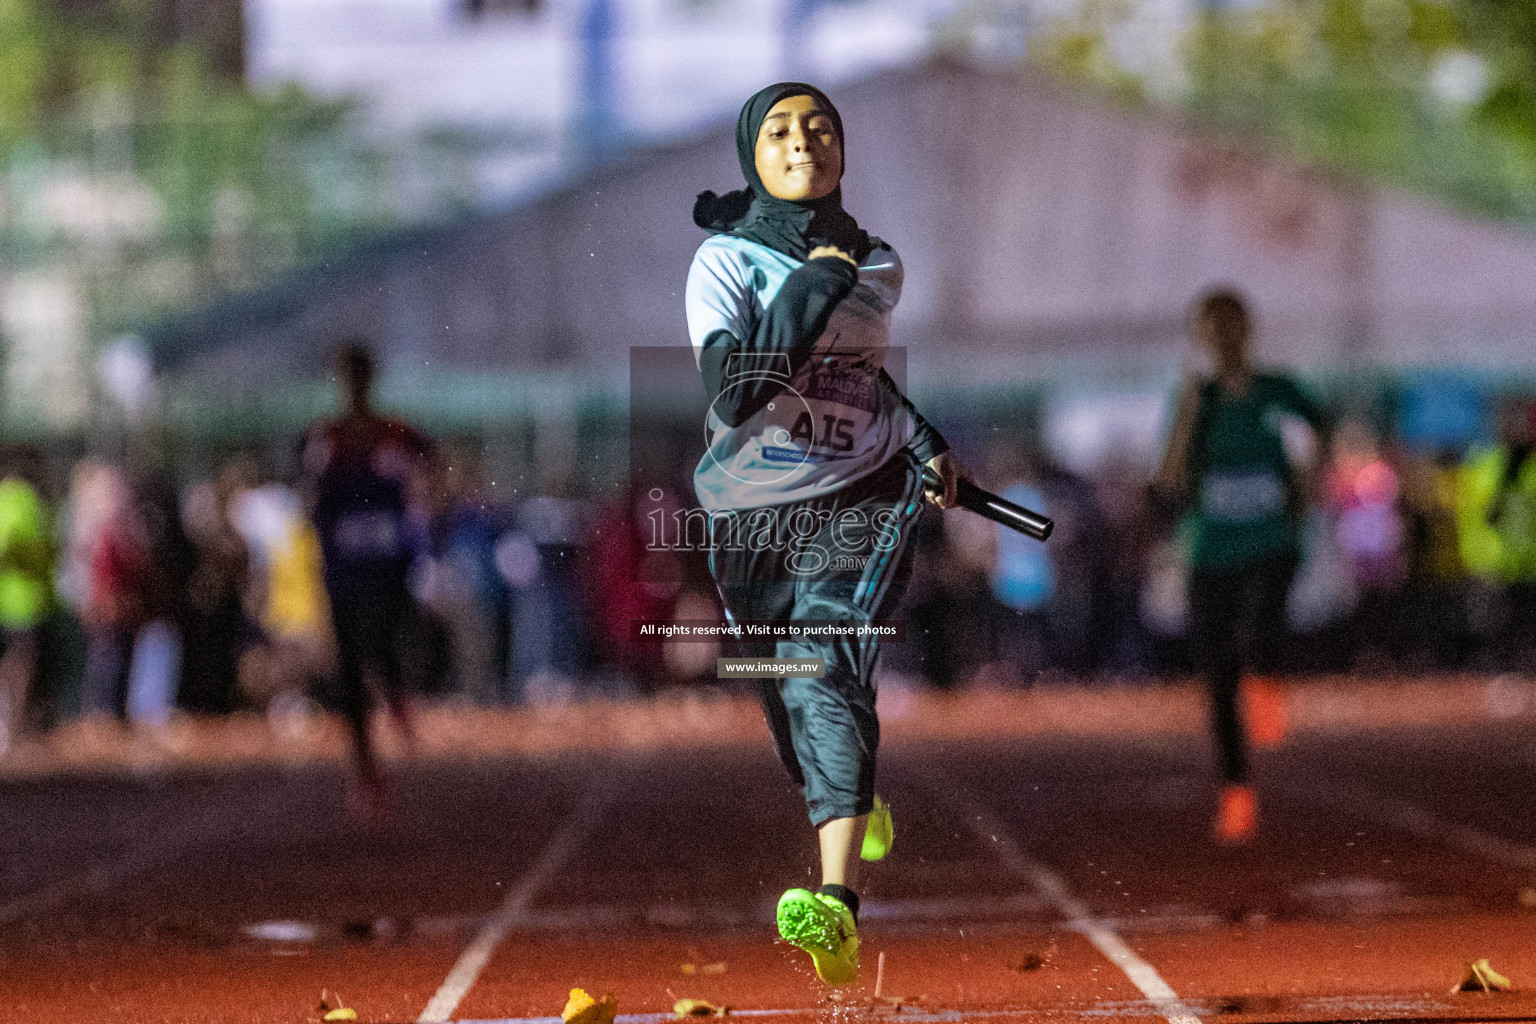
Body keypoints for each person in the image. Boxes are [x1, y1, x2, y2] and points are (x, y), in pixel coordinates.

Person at [687, 82, 966, 985]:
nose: (803, 140)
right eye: (779, 130)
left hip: (861, 495)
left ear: (843, 150)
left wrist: (921, 442)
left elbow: (854, 379)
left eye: (820, 127)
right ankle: (851, 794)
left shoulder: (878, 262)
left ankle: (836, 906)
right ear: (750, 156)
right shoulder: (720, 264)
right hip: (750, 513)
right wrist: (819, 273)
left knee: (823, 663)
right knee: (787, 697)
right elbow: (738, 391)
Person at [1154, 289, 1326, 846]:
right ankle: (1237, 790)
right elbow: (1170, 480)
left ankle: (1271, 678)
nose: (1224, 337)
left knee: (1264, 625)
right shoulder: (1195, 398)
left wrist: (1308, 481)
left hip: (1273, 539)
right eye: (1213, 327)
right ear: (1200, 337)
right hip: (1212, 550)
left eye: (1233, 324)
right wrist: (1186, 416)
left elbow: (1323, 426)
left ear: (1247, 330)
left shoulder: (1278, 390)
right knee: (1218, 672)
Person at [302, 341, 434, 820]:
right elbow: (311, 501)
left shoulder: (396, 433)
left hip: (389, 564)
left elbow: (431, 467)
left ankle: (396, 694)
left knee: (385, 642)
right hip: (344, 568)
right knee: (350, 670)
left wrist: (418, 514)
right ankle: (364, 769)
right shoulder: (325, 438)